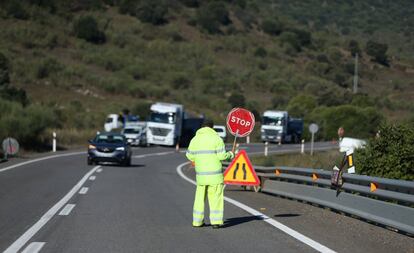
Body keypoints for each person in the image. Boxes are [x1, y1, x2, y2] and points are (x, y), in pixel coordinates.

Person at [186, 119, 234, 229]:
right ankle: (216, 222)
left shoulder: (195, 139)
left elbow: (189, 156)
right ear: (212, 127)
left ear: (202, 127)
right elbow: (222, 156)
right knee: (215, 198)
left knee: (199, 199)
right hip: (215, 176)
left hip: (201, 176)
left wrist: (198, 158)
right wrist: (231, 154)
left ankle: (197, 222)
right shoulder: (217, 139)